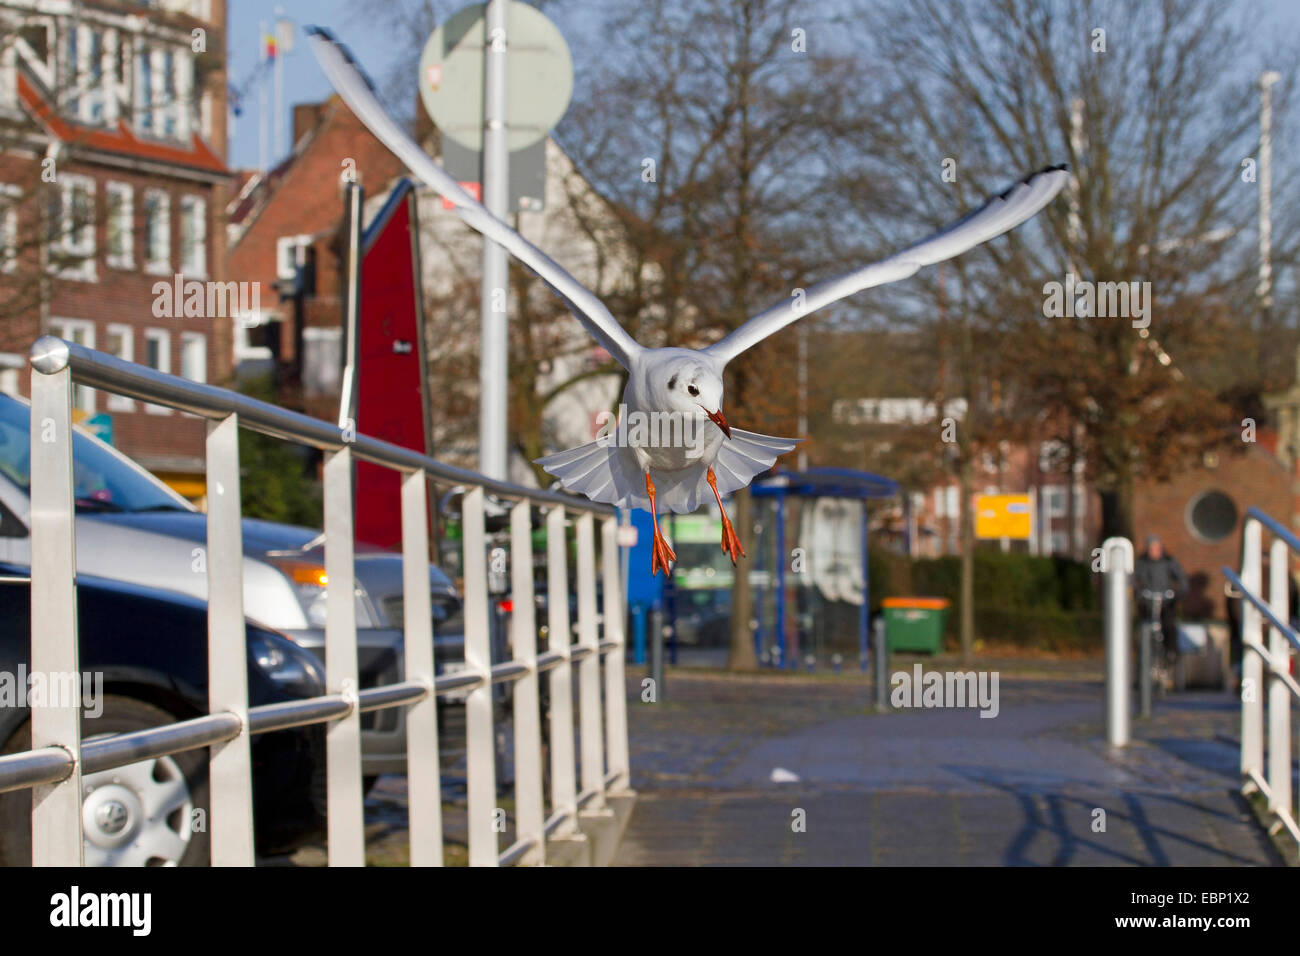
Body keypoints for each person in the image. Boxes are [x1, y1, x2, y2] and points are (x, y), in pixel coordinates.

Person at [1133, 534, 1188, 674]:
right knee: (1143, 629)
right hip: (1148, 602)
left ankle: (1171, 654)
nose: (1154, 551)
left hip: (1166, 601)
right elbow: (1133, 579)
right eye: (1151, 548)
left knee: (1169, 626)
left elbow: (1181, 578)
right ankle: (1143, 660)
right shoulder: (1141, 563)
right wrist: (1137, 592)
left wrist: (1180, 592)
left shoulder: (1169, 561)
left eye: (1156, 548)